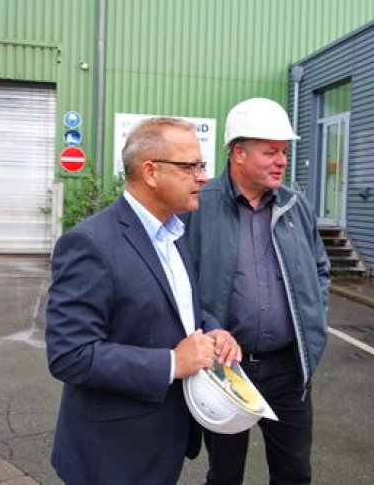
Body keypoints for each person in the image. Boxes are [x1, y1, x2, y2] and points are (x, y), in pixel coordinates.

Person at [46, 117, 241, 485]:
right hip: (113, 455)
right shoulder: (90, 243)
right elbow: (69, 355)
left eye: (202, 166)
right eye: (191, 166)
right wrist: (172, 362)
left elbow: (184, 310)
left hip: (164, 442)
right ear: (151, 172)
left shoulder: (175, 234)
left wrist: (214, 331)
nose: (203, 177)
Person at [182, 98, 331, 484]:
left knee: (294, 473)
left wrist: (314, 322)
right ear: (239, 153)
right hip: (226, 370)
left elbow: (320, 270)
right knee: (225, 475)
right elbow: (178, 282)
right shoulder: (198, 205)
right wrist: (209, 330)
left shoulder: (296, 206)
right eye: (270, 152)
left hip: (289, 369)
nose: (282, 161)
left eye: (284, 152)